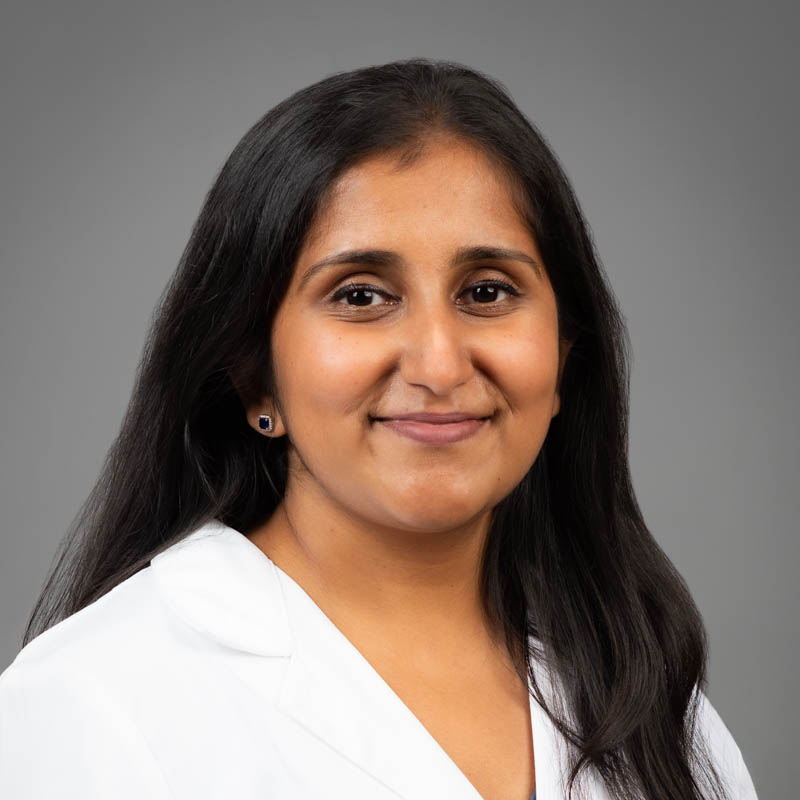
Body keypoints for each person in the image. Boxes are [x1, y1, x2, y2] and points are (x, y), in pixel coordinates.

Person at [0, 58, 758, 800]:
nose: (438, 363)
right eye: (361, 295)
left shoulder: (658, 711)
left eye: (487, 291)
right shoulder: (90, 704)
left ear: (563, 356)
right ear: (255, 375)